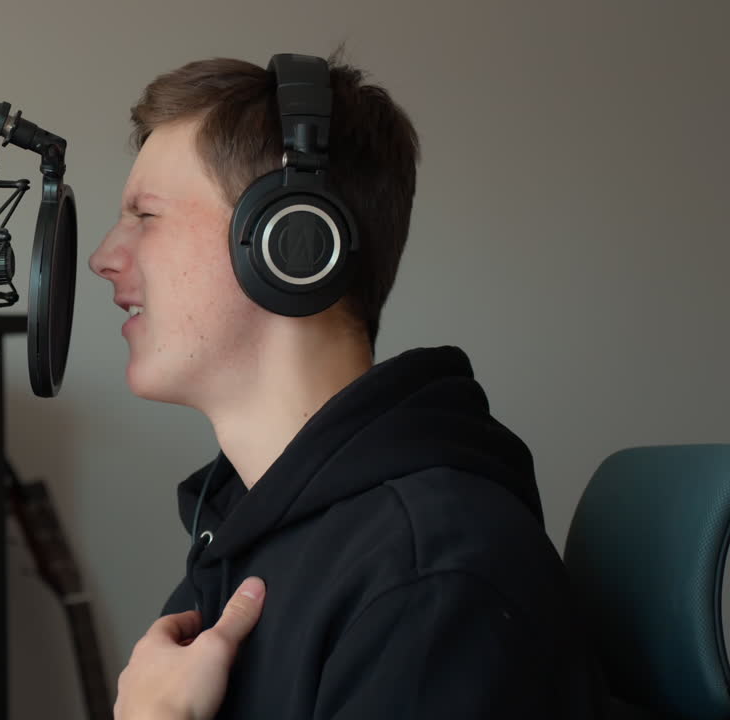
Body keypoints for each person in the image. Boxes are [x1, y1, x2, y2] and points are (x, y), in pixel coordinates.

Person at [88, 52, 605, 719]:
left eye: (145, 217)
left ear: (290, 241)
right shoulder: (242, 537)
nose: (105, 257)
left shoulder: (427, 582)